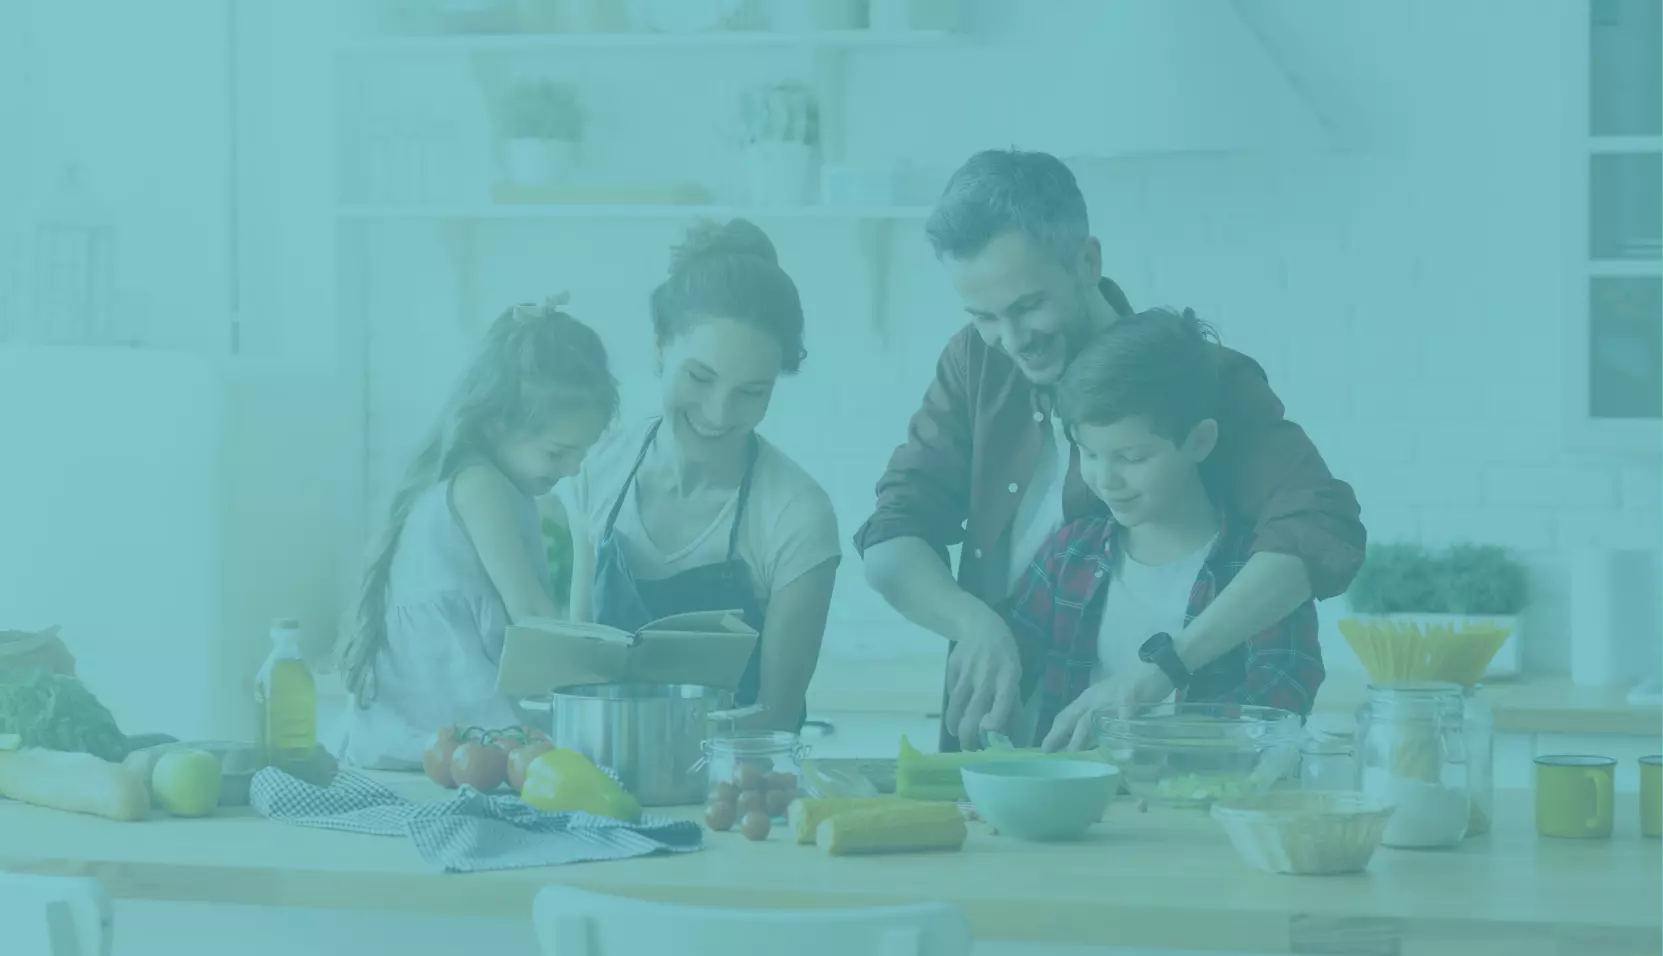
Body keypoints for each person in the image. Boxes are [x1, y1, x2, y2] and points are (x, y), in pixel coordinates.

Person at [855, 148, 1364, 751]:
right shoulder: (975, 361)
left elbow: (1318, 527)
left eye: (1028, 306)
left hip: (1168, 760)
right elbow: (891, 536)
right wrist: (972, 623)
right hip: (1008, 749)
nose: (1011, 340)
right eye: (984, 316)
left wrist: (1165, 671)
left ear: (1088, 261)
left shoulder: (1195, 378)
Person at [563, 219, 842, 732]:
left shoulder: (796, 514)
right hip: (599, 779)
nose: (719, 412)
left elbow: (777, 716)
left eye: (752, 392)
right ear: (660, 346)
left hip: (737, 788)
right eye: (700, 377)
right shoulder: (596, 468)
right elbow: (581, 670)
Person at [1005, 308, 1325, 751]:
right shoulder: (1067, 555)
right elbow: (1009, 666)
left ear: (1199, 441)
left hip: (1203, 810)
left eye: (1133, 458)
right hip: (1075, 808)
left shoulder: (1257, 570)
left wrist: (1149, 737)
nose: (1105, 479)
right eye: (1089, 454)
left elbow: (1285, 697)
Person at [329, 297, 619, 769]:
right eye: (558, 452)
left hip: (424, 739)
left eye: (582, 452)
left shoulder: (481, 481)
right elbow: (533, 617)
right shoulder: (482, 487)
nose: (573, 468)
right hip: (450, 734)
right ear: (496, 425)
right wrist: (612, 679)